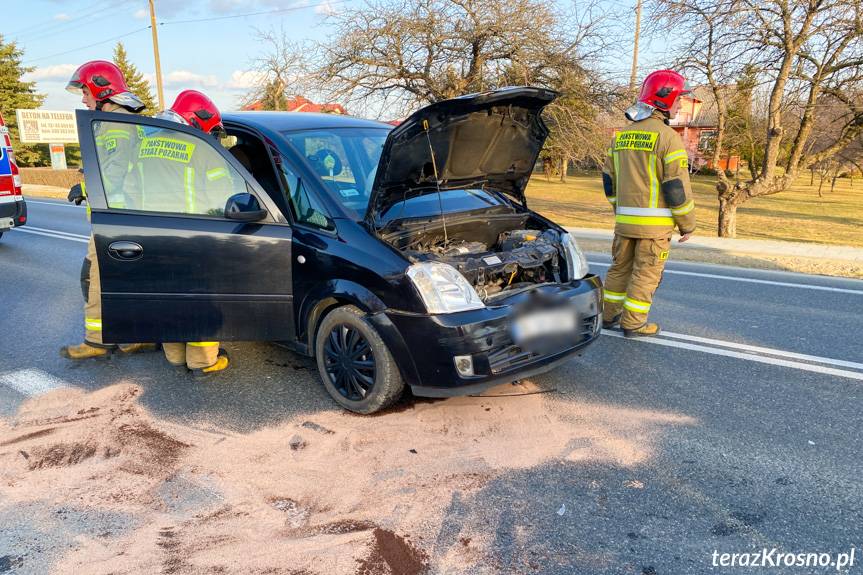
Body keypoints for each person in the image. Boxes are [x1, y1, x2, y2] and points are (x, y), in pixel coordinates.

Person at [61, 60, 156, 359]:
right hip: (128, 214)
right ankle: (139, 335)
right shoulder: (119, 121)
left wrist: (84, 189)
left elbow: (112, 175)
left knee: (97, 280)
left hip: (115, 217)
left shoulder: (114, 126)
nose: (83, 98)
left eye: (86, 92)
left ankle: (97, 341)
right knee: (130, 281)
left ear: (102, 91)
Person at [141, 90, 231, 377]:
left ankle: (176, 356)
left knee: (167, 297)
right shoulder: (203, 149)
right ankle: (202, 361)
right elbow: (224, 195)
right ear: (199, 121)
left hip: (151, 233)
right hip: (193, 236)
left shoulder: (146, 144)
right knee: (199, 300)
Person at [600, 69, 697, 337]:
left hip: (624, 223)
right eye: (679, 99)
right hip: (654, 229)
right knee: (645, 274)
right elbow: (676, 187)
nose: (680, 105)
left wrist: (619, 209)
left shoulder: (620, 137)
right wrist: (687, 225)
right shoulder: (668, 138)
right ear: (664, 100)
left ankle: (607, 317)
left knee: (619, 269)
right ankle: (633, 323)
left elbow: (609, 181)